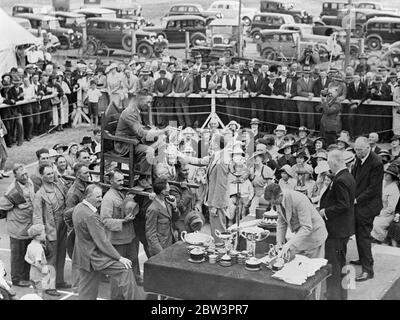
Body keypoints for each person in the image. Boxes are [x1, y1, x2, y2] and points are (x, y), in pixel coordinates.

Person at [73, 184, 142, 300]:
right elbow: (102, 241)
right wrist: (119, 257)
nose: (101, 199)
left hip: (83, 255)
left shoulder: (78, 208)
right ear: (88, 197)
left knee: (87, 290)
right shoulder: (91, 216)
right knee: (125, 269)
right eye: (98, 197)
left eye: (101, 196)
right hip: (94, 256)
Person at [319, 150, 356, 300]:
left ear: (334, 162)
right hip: (342, 229)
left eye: (328, 162)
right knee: (340, 263)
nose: (328, 166)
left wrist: (325, 212)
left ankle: (334, 295)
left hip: (336, 230)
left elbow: (343, 205)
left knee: (333, 265)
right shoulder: (347, 176)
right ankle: (340, 295)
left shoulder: (340, 179)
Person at [32, 163, 69, 295]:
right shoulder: (39, 195)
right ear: (42, 176)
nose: (51, 175)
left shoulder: (59, 186)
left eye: (52, 173)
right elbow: (37, 217)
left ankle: (59, 281)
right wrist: (41, 237)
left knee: (61, 254)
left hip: (63, 225)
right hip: (50, 229)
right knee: (51, 258)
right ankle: (49, 286)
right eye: (47, 174)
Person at [100, 170, 142, 286]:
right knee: (120, 269)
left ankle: (131, 287)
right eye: (118, 180)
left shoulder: (121, 193)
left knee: (132, 262)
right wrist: (123, 221)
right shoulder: (108, 198)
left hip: (129, 237)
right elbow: (105, 220)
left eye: (123, 180)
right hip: (118, 240)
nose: (122, 182)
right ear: (111, 181)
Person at [264, 183, 328, 259]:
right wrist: (279, 243)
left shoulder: (299, 199)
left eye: (274, 202)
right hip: (302, 236)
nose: (273, 205)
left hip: (315, 235)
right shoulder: (278, 200)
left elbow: (307, 227)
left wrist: (288, 244)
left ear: (280, 195)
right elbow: (281, 223)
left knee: (312, 267)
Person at [351, 137, 384, 281]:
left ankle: (368, 270)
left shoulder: (376, 162)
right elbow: (355, 178)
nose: (357, 153)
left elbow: (373, 189)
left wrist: (357, 199)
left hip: (369, 205)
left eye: (360, 150)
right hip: (359, 203)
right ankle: (363, 258)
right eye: (356, 150)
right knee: (359, 234)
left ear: (367, 147)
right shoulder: (359, 158)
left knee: (363, 236)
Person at [0, 164, 35, 287]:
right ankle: (16, 279)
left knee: (28, 254)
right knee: (17, 256)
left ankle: (25, 277)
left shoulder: (29, 182)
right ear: (15, 176)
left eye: (26, 174)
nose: (25, 177)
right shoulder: (12, 191)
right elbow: (1, 208)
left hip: (29, 228)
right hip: (17, 230)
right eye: (22, 175)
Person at [114, 99, 168, 175]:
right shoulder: (129, 113)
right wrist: (161, 131)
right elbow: (140, 132)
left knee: (161, 144)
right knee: (150, 150)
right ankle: (143, 177)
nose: (149, 105)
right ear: (140, 100)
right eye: (148, 101)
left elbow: (140, 128)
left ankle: (155, 171)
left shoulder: (136, 110)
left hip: (134, 140)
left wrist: (154, 131)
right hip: (125, 145)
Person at [145, 178, 179, 256]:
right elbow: (150, 234)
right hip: (161, 248)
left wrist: (174, 207)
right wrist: (160, 253)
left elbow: (175, 219)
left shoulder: (167, 202)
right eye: (168, 188)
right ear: (163, 192)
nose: (170, 189)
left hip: (170, 243)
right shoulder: (153, 209)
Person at [371, 164, 400, 244]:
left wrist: (379, 213)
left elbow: (391, 208)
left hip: (387, 214)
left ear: (393, 177)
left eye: (388, 174)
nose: (385, 174)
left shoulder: (394, 190)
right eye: (385, 173)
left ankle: (382, 239)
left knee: (376, 222)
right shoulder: (382, 183)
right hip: (377, 208)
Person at [24, 224, 55, 298]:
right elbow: (38, 264)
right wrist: (45, 271)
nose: (45, 234)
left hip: (32, 274)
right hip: (39, 275)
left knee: (34, 292)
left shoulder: (30, 245)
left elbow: (26, 257)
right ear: (38, 236)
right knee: (40, 293)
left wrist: (33, 263)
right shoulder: (39, 248)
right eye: (43, 232)